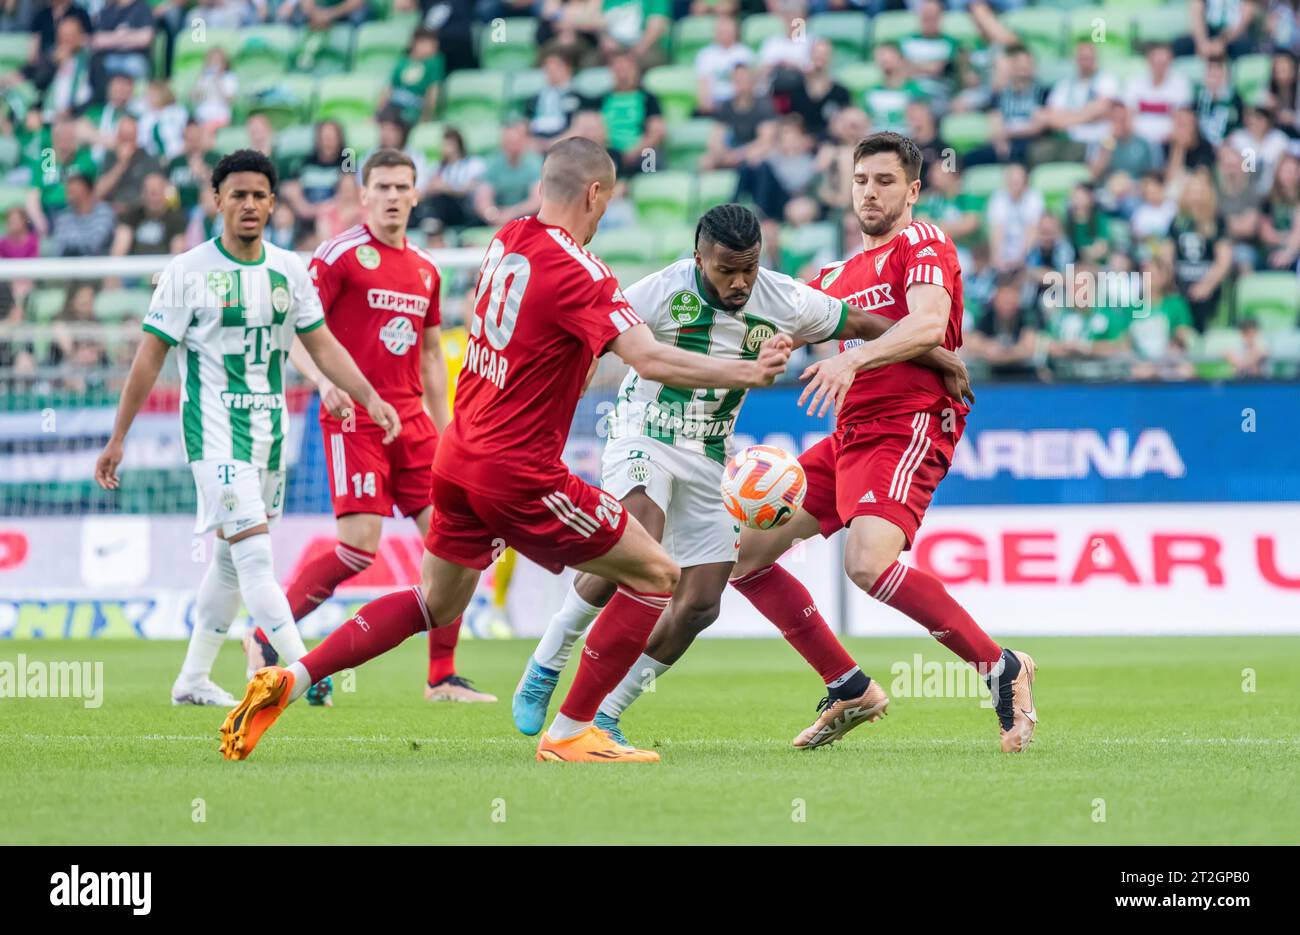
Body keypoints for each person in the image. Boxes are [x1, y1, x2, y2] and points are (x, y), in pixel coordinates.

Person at [218, 137, 790, 763]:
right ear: (594, 194)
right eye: (605, 204)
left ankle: (289, 679)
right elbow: (647, 356)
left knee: (432, 601)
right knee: (658, 573)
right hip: (518, 471)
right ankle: (573, 731)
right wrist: (748, 374)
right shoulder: (584, 273)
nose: (602, 218)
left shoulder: (508, 238)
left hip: (456, 455)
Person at [514, 203, 974, 746]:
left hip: (709, 452)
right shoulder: (658, 292)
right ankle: (549, 659)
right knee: (638, 544)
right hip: (644, 431)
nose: (738, 282)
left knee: (702, 604)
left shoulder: (782, 297)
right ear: (699, 258)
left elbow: (862, 323)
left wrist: (939, 357)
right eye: (726, 269)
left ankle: (610, 714)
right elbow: (588, 343)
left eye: (748, 269)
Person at [729, 132, 1038, 753]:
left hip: (910, 422)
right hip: (850, 435)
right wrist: (772, 347)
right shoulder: (833, 274)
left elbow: (927, 321)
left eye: (886, 181)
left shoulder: (923, 241)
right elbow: (783, 332)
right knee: (743, 557)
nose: (871, 192)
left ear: (913, 190)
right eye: (862, 180)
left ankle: (1000, 668)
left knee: (866, 561)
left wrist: (855, 361)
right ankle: (848, 686)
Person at [93, 149, 401, 707]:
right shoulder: (187, 273)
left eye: (260, 195)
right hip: (213, 437)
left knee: (231, 564)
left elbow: (322, 344)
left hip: (269, 438)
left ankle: (191, 680)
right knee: (256, 558)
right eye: (238, 194)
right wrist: (119, 437)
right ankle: (306, 667)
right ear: (217, 200)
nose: (250, 205)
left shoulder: (288, 270)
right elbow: (149, 359)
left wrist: (370, 397)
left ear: (273, 201)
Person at [249, 148, 492, 705]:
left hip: (413, 423)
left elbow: (432, 353)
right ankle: (264, 640)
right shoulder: (338, 257)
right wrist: (321, 382)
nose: (392, 197)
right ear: (364, 196)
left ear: (415, 194)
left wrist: (447, 427)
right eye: (380, 187)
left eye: (402, 187)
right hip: (354, 418)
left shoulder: (426, 268)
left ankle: (442, 678)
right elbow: (294, 331)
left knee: (456, 544)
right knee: (359, 549)